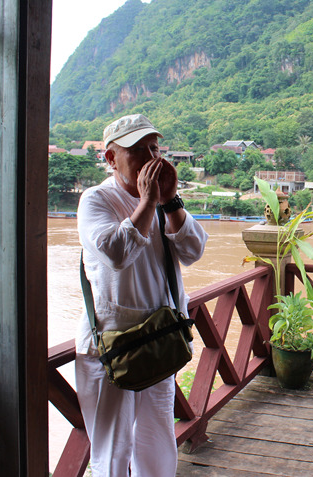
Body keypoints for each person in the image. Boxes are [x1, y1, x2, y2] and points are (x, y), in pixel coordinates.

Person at [75, 113, 208, 476]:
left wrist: (170, 200)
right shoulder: (96, 200)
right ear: (111, 158)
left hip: (158, 342)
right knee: (112, 450)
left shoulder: (165, 203)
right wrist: (148, 201)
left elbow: (193, 251)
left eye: (154, 148)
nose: (151, 158)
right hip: (112, 349)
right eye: (137, 150)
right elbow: (117, 253)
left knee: (157, 439)